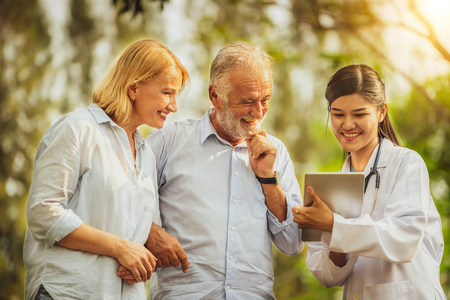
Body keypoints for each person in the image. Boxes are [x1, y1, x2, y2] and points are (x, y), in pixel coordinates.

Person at [119, 43, 304, 299]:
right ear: (215, 96)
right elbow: (122, 201)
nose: (259, 112)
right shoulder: (168, 142)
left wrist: (268, 179)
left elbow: (293, 243)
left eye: (265, 100)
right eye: (247, 101)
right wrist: (150, 232)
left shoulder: (277, 153)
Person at [24, 39, 189, 300]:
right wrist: (120, 248)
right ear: (134, 88)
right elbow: (43, 214)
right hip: (67, 293)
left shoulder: (146, 155)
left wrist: (141, 263)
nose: (174, 106)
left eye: (176, 95)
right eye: (167, 92)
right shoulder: (78, 129)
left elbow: (136, 234)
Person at [292, 64, 445, 299]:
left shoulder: (406, 164)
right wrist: (332, 236)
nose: (348, 124)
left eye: (360, 114)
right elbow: (327, 277)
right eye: (338, 114)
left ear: (381, 112)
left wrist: (334, 225)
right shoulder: (327, 187)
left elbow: (405, 238)